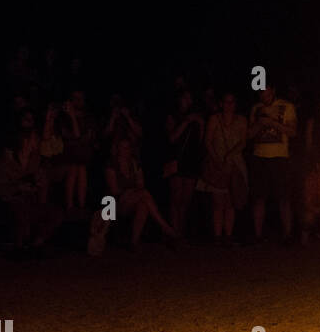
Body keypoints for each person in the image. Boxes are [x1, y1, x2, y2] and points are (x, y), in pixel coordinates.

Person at [0, 123, 64, 255]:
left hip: (31, 200)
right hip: (11, 201)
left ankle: (36, 243)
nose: (36, 142)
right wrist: (17, 187)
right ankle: (20, 246)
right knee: (21, 209)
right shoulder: (7, 162)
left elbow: (42, 179)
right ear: (25, 142)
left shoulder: (34, 161)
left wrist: (40, 184)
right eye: (33, 139)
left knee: (54, 213)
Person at [104, 137, 178, 250]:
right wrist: (129, 191)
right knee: (144, 195)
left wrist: (133, 191)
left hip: (134, 197)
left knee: (143, 205)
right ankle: (166, 227)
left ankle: (134, 242)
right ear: (117, 149)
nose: (125, 150)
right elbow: (114, 190)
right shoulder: (112, 165)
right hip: (114, 202)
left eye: (127, 147)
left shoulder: (134, 164)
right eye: (122, 148)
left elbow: (140, 184)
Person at [249, 83, 297, 244]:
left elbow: (292, 132)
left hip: (279, 157)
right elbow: (249, 135)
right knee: (259, 198)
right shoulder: (256, 108)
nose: (265, 98)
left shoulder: (286, 107)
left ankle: (287, 235)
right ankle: (257, 235)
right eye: (262, 95)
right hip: (259, 157)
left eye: (267, 94)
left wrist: (273, 123)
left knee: (284, 197)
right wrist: (260, 123)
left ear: (273, 91)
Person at [199, 92, 249, 246]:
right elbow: (207, 141)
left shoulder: (241, 120)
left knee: (231, 201)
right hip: (217, 162)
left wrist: (230, 155)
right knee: (218, 202)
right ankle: (217, 236)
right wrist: (217, 160)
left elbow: (243, 142)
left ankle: (228, 235)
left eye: (232, 102)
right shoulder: (214, 119)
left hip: (235, 163)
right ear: (221, 104)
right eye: (226, 102)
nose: (229, 105)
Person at [164, 89, 205, 239]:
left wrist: (200, 124)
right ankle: (173, 232)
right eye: (186, 98)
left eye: (190, 98)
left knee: (185, 201)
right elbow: (172, 138)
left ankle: (180, 231)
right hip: (177, 160)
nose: (189, 101)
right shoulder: (173, 116)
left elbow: (200, 141)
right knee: (175, 199)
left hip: (191, 161)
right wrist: (186, 121)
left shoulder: (197, 117)